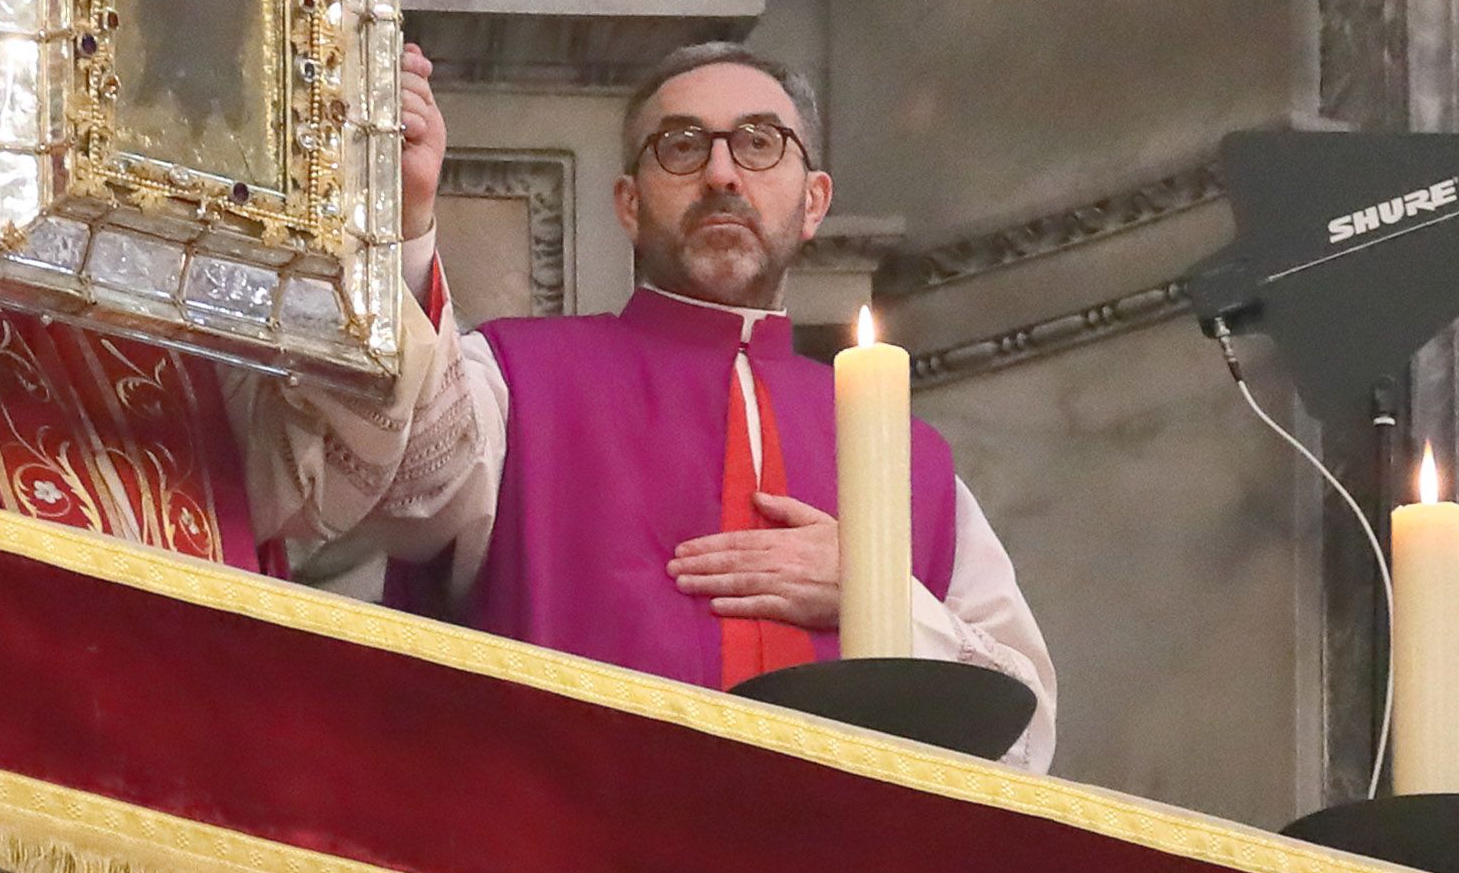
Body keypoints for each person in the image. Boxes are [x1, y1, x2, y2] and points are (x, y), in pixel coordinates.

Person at [350, 41, 1056, 769]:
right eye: (682, 146)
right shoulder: (517, 378)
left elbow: (1024, 736)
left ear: (813, 201)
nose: (721, 173)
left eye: (758, 142)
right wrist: (408, 222)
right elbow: (402, 490)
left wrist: (876, 594)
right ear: (629, 204)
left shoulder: (916, 463)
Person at [0, 44, 477, 574]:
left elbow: (334, 492)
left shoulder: (225, 195)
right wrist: (1, 140)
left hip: (191, 678)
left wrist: (386, 220)